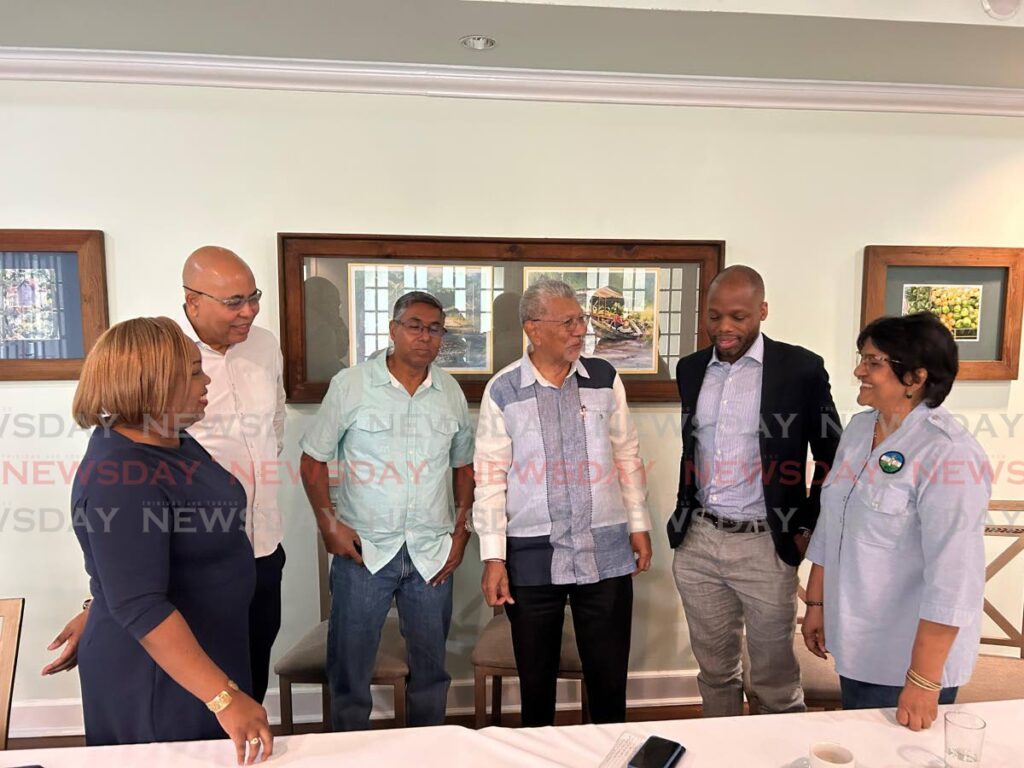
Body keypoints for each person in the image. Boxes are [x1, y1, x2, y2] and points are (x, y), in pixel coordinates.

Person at [45, 246, 287, 707]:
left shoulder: (265, 345)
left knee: (245, 682)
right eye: (234, 301)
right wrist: (102, 603)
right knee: (192, 704)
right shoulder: (161, 359)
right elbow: (127, 542)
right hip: (183, 575)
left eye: (253, 296)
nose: (250, 310)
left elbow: (273, 428)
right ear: (192, 300)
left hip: (258, 550)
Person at [69, 317, 272, 763]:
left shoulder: (172, 441)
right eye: (195, 371)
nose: (207, 379)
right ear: (152, 382)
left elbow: (132, 562)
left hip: (204, 652)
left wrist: (99, 600)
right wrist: (222, 696)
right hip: (157, 679)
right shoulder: (121, 474)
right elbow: (140, 603)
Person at [473, 278, 652, 727]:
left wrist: (638, 523)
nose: (581, 331)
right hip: (532, 554)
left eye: (581, 320)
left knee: (609, 683)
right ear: (533, 329)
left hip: (605, 548)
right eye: (569, 322)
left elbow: (626, 453)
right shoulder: (503, 390)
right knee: (536, 686)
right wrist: (494, 557)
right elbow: (490, 478)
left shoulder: (605, 379)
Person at [667, 265, 842, 717]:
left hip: (766, 543)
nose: (724, 328)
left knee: (774, 681)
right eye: (715, 316)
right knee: (714, 671)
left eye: (739, 317)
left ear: (762, 311)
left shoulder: (800, 368)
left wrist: (804, 526)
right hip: (700, 541)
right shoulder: (690, 370)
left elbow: (832, 456)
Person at [802, 313, 991, 730]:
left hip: (906, 658)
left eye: (873, 362)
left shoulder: (949, 453)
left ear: (916, 376)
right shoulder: (858, 430)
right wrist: (816, 604)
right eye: (861, 358)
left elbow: (954, 577)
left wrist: (924, 680)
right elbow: (833, 522)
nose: (858, 371)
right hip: (855, 642)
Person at [299, 291, 475, 731]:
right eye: (414, 326)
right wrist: (329, 525)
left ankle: (426, 752)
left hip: (431, 552)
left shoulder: (449, 391)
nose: (425, 337)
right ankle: (346, 754)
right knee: (350, 671)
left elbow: (464, 466)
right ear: (393, 330)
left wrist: (462, 529)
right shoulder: (352, 385)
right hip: (364, 551)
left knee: (432, 673)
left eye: (435, 329)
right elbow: (312, 459)